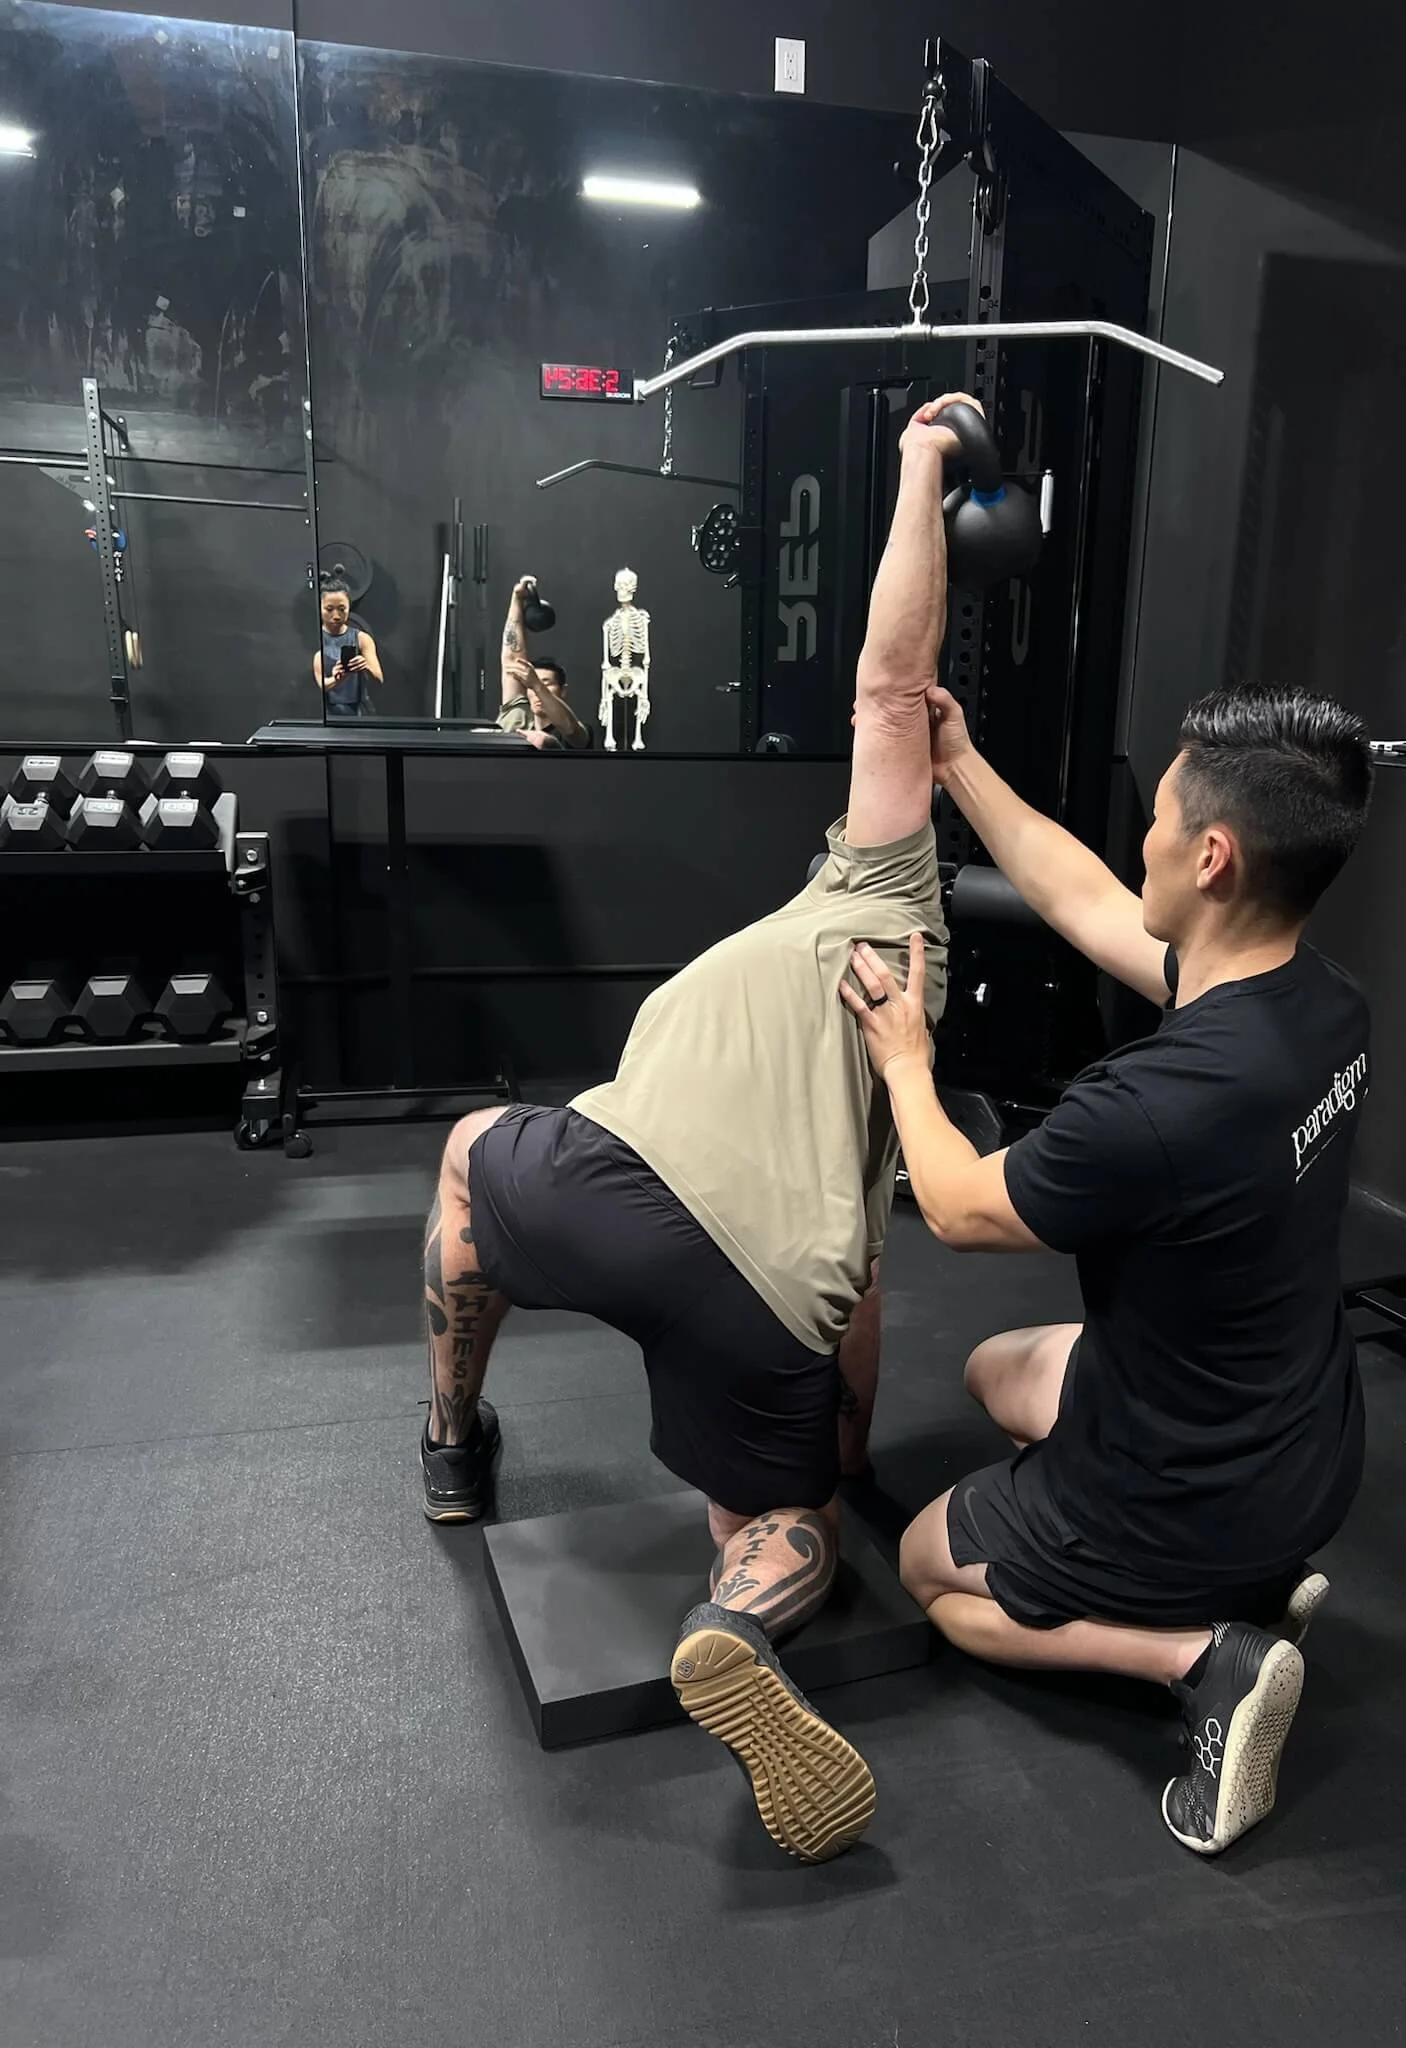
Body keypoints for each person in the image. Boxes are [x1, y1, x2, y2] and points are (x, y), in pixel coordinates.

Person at [417, 397, 978, 1862]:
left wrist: (923, 462)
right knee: (776, 1523)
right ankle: (737, 1614)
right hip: (765, 1294)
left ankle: (449, 1437)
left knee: (473, 1151)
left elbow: (892, 678)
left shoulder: (875, 890)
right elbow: (862, 1285)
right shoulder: (888, 1021)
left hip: (594, 1196)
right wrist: (831, 1463)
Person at [841, 680, 1373, 1858]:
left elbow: (960, 1205)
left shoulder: (1151, 1107)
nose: (1144, 841)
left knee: (936, 1571)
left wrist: (907, 1063)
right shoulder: (1324, 1005)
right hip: (1308, 1444)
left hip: (1193, 1485)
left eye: (1163, 819)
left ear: (1215, 858)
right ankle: (1238, 1581)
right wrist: (959, 764)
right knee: (993, 1370)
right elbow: (1086, 896)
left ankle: (1204, 1657)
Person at [495, 576, 592, 747]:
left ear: (563, 691)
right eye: (531, 687)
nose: (536, 691)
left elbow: (571, 730)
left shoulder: (576, 732)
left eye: (547, 684)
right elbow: (511, 658)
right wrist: (517, 599)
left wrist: (537, 684)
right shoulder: (518, 717)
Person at [313, 577, 382, 717]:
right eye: (329, 609)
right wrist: (337, 679)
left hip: (360, 711)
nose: (336, 615)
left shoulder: (362, 639)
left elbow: (379, 678)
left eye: (342, 609)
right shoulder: (314, 638)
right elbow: (322, 685)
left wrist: (365, 666)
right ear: (320, 607)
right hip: (329, 713)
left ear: (349, 606)